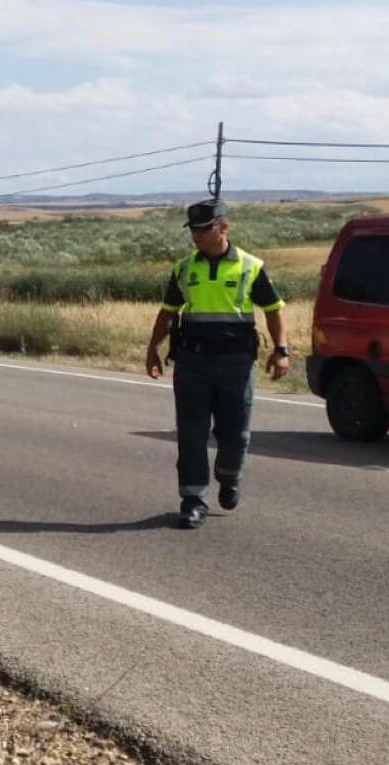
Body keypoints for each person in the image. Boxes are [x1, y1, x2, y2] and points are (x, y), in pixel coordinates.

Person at [145, 199, 290, 529]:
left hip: (236, 363)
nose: (197, 236)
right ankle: (193, 500)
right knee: (192, 433)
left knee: (235, 433)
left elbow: (273, 310)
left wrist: (282, 349)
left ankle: (229, 475)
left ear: (223, 227)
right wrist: (153, 348)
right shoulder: (185, 268)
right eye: (193, 230)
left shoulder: (250, 266)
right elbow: (168, 312)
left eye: (204, 229)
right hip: (193, 362)